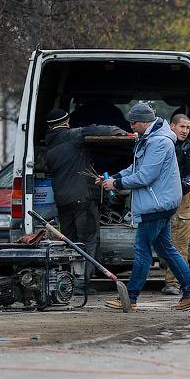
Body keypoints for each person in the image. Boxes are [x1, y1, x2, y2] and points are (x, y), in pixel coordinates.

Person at [98, 102, 190, 310]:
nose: (131, 127)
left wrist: (116, 184)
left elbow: (145, 176)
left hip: (156, 205)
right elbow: (135, 167)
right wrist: (114, 177)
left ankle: (130, 298)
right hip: (160, 203)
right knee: (166, 250)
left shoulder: (159, 142)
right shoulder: (149, 139)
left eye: (133, 123)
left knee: (142, 251)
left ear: (145, 122)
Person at [43, 108, 129, 294]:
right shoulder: (73, 136)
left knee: (70, 243)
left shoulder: (49, 146)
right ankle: (82, 284)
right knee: (88, 241)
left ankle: (67, 284)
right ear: (66, 123)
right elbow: (97, 129)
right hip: (82, 200)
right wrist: (123, 133)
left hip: (63, 203)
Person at [156, 113, 190, 295]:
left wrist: (180, 187)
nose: (185, 131)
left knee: (180, 242)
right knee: (159, 239)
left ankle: (174, 283)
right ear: (172, 126)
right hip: (160, 196)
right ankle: (171, 269)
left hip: (182, 198)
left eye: (188, 128)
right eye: (182, 127)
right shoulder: (161, 143)